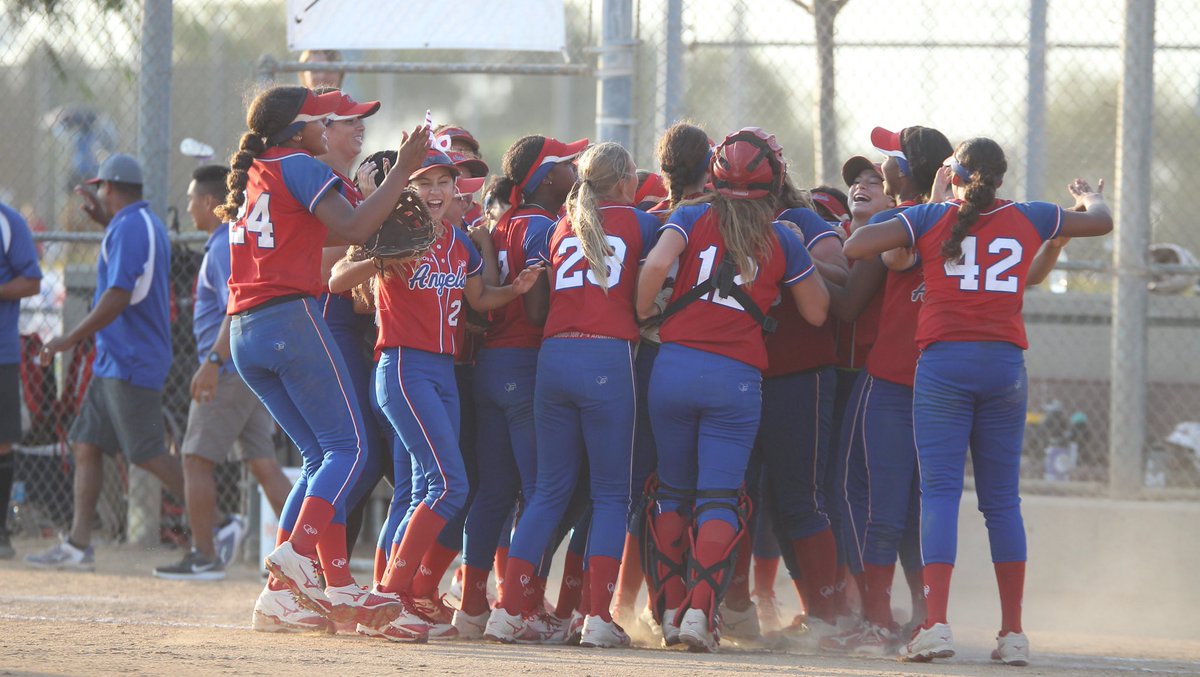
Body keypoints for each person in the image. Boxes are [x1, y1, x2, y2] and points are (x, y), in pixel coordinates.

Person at [843, 136, 1112, 666]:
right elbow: (1099, 222)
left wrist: (926, 206)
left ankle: (936, 625)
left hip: (944, 364)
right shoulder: (1029, 214)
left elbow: (857, 246)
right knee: (1002, 502)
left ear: (958, 175)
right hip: (1004, 367)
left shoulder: (931, 217)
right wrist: (1087, 197)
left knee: (940, 495)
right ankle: (1012, 632)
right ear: (1001, 177)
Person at [217, 85, 428, 628]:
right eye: (328, 120)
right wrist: (403, 170)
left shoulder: (258, 168)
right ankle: (297, 559)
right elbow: (357, 228)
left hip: (246, 329)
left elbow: (338, 233)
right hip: (288, 318)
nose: (338, 128)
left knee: (320, 458)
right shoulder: (298, 163)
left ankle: (283, 597)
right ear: (303, 129)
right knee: (352, 450)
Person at [329, 149, 543, 642]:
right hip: (404, 364)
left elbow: (479, 301)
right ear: (408, 189)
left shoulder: (458, 241)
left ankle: (394, 599)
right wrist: (385, 255)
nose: (435, 191)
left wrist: (514, 289)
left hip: (443, 370)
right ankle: (390, 595)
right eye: (425, 182)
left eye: (444, 182)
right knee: (450, 486)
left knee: (431, 488)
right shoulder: (390, 229)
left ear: (455, 192)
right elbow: (337, 279)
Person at [635, 128, 829, 653]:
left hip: (672, 369)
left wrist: (644, 313)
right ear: (775, 180)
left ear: (714, 174)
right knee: (720, 496)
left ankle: (670, 612)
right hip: (736, 377)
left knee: (671, 490)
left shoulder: (692, 215)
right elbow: (817, 311)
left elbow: (655, 265)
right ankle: (701, 614)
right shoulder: (784, 235)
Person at [483, 142, 659, 648]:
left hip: (553, 358)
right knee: (610, 494)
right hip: (605, 357)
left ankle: (509, 610)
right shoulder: (641, 222)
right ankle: (597, 618)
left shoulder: (563, 224)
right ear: (625, 179)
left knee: (547, 492)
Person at [819, 125, 954, 654]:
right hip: (941, 380)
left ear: (912, 171)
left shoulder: (907, 219)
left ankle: (875, 617)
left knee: (856, 493)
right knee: (917, 502)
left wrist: (798, 262)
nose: (881, 168)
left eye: (889, 161)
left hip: (891, 375)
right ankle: (924, 616)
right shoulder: (962, 216)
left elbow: (850, 302)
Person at [455, 135, 585, 639]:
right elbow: (534, 309)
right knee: (542, 491)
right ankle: (523, 607)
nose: (574, 170)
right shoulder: (544, 225)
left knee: (494, 491)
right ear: (546, 178)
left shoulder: (503, 221)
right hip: (527, 364)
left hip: (490, 364)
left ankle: (472, 606)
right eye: (567, 164)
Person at [25, 154, 179, 571]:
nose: (100, 194)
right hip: (114, 359)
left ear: (110, 188)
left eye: (102, 188)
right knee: (87, 444)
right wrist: (104, 223)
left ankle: (214, 521)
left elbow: (118, 296)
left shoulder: (130, 227)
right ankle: (77, 545)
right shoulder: (133, 224)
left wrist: (68, 339)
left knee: (146, 453)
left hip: (130, 359)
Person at [151, 165, 293, 582]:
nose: (190, 203)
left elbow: (238, 307)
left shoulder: (219, 249)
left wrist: (212, 363)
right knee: (263, 463)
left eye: (195, 197)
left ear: (212, 204)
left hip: (228, 368)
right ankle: (311, 553)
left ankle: (205, 555)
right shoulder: (228, 244)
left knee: (194, 459)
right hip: (246, 368)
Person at [612, 121, 710, 637]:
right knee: (704, 487)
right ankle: (695, 608)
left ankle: (646, 606)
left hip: (648, 357)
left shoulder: (651, 221)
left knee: (648, 486)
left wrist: (646, 314)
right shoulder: (720, 218)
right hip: (710, 359)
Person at [0, 200, 43, 559]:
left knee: (2, 442)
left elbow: (31, 281)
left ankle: (0, 535)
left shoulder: (8, 221)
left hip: (1, 352)